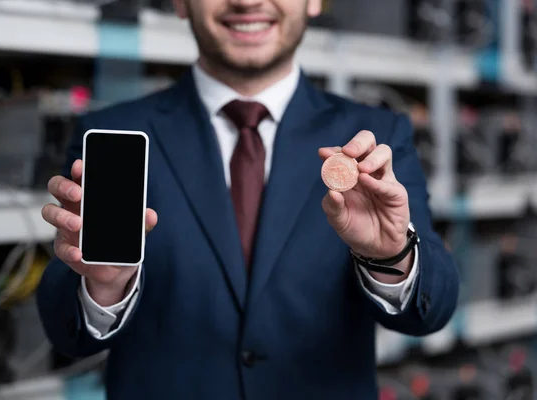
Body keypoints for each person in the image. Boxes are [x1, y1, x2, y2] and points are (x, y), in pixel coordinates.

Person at [37, 0, 460, 398]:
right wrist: (103, 288)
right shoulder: (113, 134)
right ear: (180, 3)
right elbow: (66, 333)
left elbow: (431, 310)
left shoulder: (376, 138)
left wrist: (391, 258)